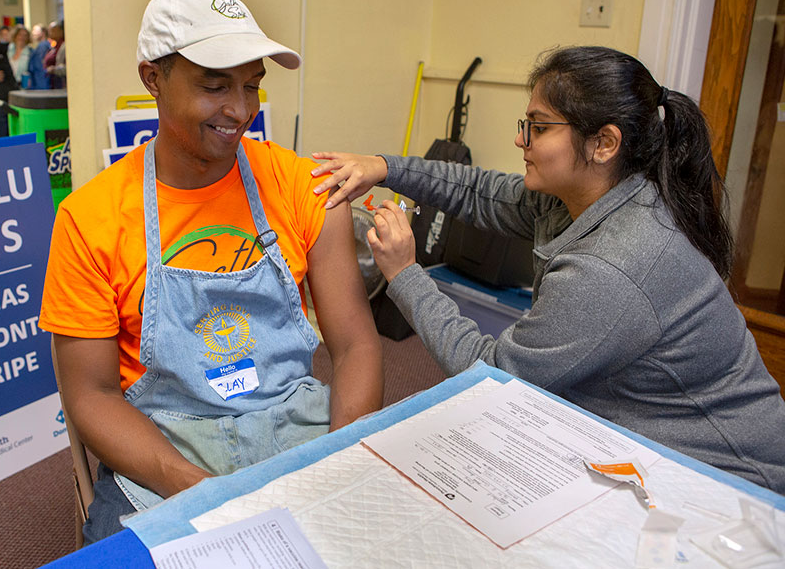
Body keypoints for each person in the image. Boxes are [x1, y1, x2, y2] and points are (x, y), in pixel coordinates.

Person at [312, 45, 785, 494]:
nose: (521, 139)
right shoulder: (590, 198)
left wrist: (406, 274)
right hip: (642, 436)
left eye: (538, 127)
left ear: (603, 143)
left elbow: (494, 373)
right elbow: (479, 192)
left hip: (733, 480)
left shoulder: (613, 265)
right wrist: (383, 166)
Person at [39, 0, 382, 544]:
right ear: (153, 77)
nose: (240, 110)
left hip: (301, 432)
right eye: (214, 85)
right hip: (163, 449)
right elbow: (91, 394)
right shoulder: (90, 218)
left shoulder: (303, 188)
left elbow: (355, 345)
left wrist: (340, 460)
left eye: (251, 86)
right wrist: (195, 489)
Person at [27, 24, 52, 90]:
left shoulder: (43, 46)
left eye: (35, 30)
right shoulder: (42, 46)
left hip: (40, 84)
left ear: (43, 33)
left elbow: (39, 68)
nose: (33, 33)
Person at [43, 20, 65, 89]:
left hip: (61, 83)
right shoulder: (53, 46)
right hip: (53, 83)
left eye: (53, 30)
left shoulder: (64, 46)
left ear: (61, 31)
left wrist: (54, 69)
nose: (50, 33)